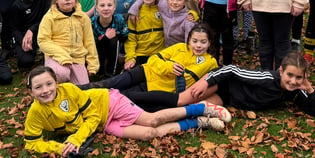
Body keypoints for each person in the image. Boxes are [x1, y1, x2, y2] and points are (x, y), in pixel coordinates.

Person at [23, 66, 230, 155]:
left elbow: (93, 115)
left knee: (151, 121)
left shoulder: (69, 90)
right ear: (30, 92)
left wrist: (76, 139)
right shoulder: (36, 113)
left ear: (56, 83)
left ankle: (201, 107)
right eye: (38, 87)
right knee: (149, 134)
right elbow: (31, 143)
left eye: (49, 84)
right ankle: (200, 122)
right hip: (102, 125)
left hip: (108, 102)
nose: (45, 90)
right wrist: (59, 148)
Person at [127, 51, 315, 119]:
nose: (293, 81)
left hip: (228, 99)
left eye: (299, 78)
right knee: (180, 101)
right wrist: (206, 82)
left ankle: (133, 110)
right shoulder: (266, 78)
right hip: (221, 84)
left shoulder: (295, 91)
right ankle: (126, 97)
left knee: (190, 110)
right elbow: (230, 70)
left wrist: (309, 89)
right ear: (281, 71)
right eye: (290, 75)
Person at [83, 24, 219, 102]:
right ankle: (75, 90)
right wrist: (168, 67)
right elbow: (153, 59)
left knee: (116, 95)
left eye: (203, 42)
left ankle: (84, 100)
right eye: (194, 41)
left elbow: (209, 81)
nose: (198, 46)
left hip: (156, 87)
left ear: (209, 43)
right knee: (109, 83)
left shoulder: (210, 62)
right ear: (189, 40)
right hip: (145, 71)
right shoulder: (180, 47)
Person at [37, 0, 99, 85]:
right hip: (56, 58)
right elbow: (43, 41)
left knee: (83, 89)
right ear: (56, 0)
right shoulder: (49, 17)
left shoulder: (83, 18)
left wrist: (92, 64)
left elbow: (89, 41)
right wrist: (62, 56)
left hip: (77, 59)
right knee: (61, 73)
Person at [8, 0, 52, 71]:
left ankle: (43, 53)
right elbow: (14, 28)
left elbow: (48, 18)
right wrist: (23, 40)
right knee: (25, 62)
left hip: (44, 32)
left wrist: (32, 30)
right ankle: (17, 50)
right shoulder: (17, 5)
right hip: (25, 35)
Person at [129, 0, 199, 47]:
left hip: (180, 51)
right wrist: (134, 9)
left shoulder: (188, 19)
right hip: (165, 49)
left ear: (185, 1)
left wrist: (194, 14)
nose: (174, 2)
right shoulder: (164, 5)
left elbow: (189, 43)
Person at [125, 0, 165, 68]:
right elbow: (131, 39)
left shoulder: (163, 10)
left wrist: (193, 14)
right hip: (140, 54)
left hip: (159, 54)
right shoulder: (135, 13)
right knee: (134, 76)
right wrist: (130, 58)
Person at [91, 0, 129, 78]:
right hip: (98, 52)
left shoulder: (119, 19)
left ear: (114, 7)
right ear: (96, 8)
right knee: (101, 42)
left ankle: (111, 72)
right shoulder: (92, 23)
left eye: (109, 5)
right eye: (102, 5)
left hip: (114, 50)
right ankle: (99, 70)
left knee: (113, 40)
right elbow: (91, 46)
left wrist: (122, 54)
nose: (106, 8)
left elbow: (125, 36)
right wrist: (105, 38)